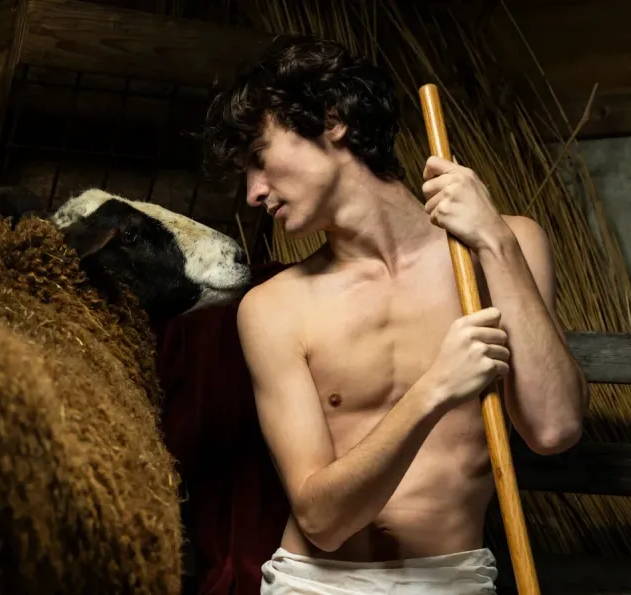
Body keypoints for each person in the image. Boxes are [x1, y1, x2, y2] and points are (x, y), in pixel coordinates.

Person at [201, 34, 589, 594]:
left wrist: (494, 240)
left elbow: (554, 429)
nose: (253, 193)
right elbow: (322, 522)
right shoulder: (273, 308)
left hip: (451, 579)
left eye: (259, 160)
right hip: (315, 583)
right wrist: (435, 389)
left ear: (332, 120)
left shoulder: (507, 244)